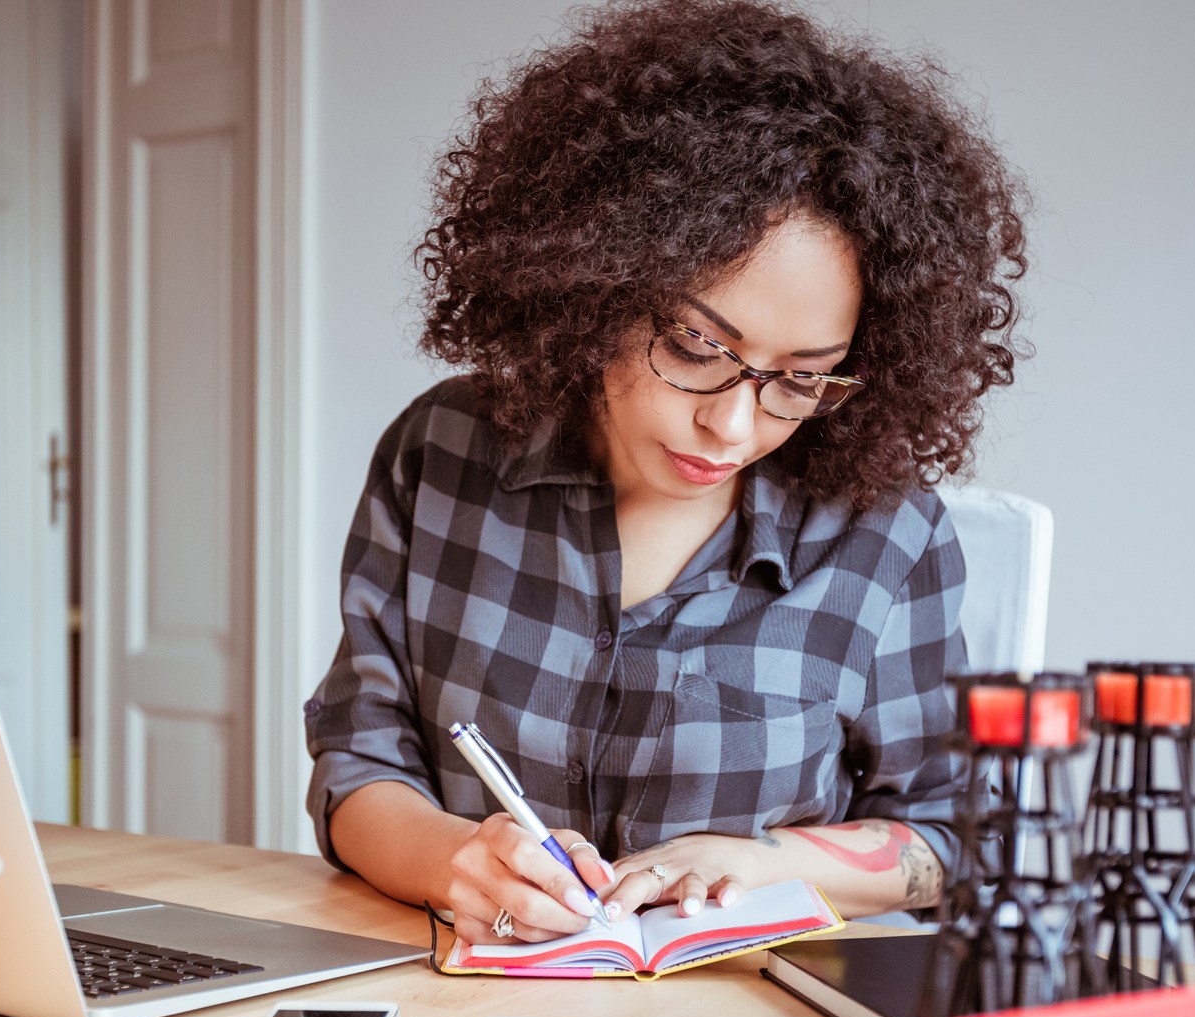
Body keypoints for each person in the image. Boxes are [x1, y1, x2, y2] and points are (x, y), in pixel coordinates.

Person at [304, 0, 1027, 946]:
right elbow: (359, 762)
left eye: (799, 380)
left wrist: (771, 863)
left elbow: (955, 831)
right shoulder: (440, 451)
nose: (731, 423)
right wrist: (456, 861)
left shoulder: (882, 530)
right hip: (467, 1014)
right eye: (694, 345)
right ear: (595, 283)